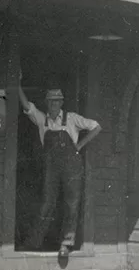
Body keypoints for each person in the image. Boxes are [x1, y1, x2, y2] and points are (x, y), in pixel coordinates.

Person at [18, 78, 102, 257]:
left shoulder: (71, 118)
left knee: (71, 204)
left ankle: (67, 243)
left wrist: (80, 146)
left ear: (61, 102)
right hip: (52, 168)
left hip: (72, 167)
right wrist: (17, 86)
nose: (54, 104)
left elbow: (96, 126)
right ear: (47, 103)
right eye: (51, 101)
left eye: (57, 101)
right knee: (47, 203)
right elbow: (27, 107)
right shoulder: (42, 120)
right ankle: (34, 242)